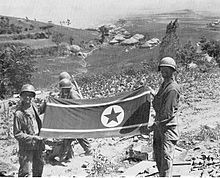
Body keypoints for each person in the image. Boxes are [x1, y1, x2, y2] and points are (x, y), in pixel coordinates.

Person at [141, 57, 180, 177]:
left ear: (172, 71)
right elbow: (158, 101)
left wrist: (152, 127)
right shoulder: (164, 85)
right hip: (160, 127)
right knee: (158, 157)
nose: (163, 72)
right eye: (162, 69)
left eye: (166, 69)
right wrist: (151, 92)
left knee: (165, 159)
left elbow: (166, 114)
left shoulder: (172, 88)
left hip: (167, 128)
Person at [13, 84, 46, 177]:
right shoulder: (18, 114)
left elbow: (40, 112)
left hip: (38, 143)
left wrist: (47, 103)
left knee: (39, 168)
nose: (28, 97)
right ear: (21, 96)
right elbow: (17, 134)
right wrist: (32, 138)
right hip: (26, 146)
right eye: (25, 95)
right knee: (25, 171)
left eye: (30, 95)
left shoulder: (34, 107)